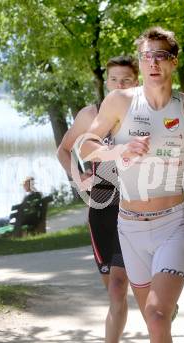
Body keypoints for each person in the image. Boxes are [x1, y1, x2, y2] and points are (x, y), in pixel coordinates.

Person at [80, 27, 184, 343]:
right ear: (140, 63)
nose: (153, 63)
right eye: (147, 56)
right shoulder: (119, 102)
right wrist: (120, 149)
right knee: (154, 320)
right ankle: (166, 307)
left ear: (173, 62)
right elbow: (85, 146)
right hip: (129, 228)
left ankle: (165, 305)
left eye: (161, 56)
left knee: (157, 316)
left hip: (172, 222)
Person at [57, 55, 139, 343]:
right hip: (102, 208)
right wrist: (79, 178)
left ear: (136, 82)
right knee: (114, 290)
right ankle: (158, 302)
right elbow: (64, 150)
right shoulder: (89, 116)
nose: (119, 84)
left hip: (137, 207)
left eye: (126, 80)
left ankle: (159, 303)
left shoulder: (143, 115)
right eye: (114, 79)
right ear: (106, 81)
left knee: (121, 287)